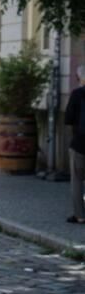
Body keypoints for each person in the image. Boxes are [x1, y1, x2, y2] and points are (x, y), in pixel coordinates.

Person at [64, 65, 85, 223]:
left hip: (80, 143)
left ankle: (80, 215)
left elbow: (68, 119)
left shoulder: (77, 94)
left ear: (79, 78)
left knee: (77, 180)